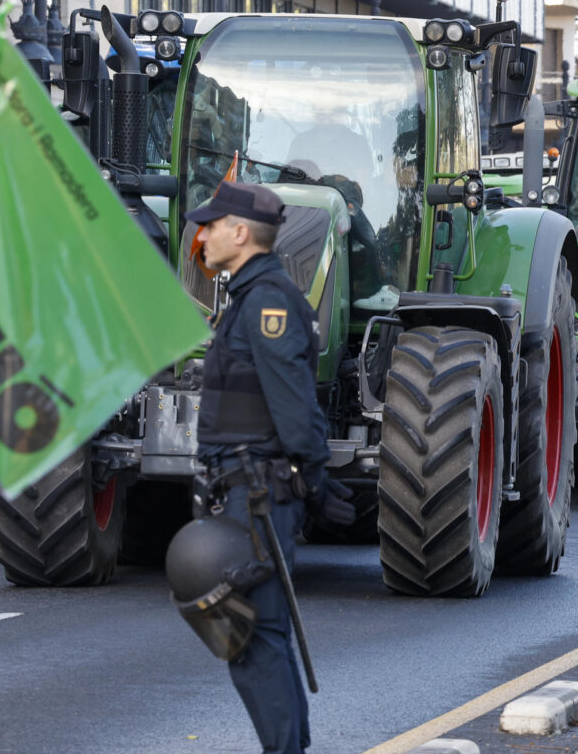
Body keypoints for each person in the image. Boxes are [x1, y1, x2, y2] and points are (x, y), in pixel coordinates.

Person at [186, 180, 354, 754]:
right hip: (247, 487)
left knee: (253, 638)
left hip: (258, 491)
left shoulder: (267, 302)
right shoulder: (249, 296)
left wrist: (315, 482)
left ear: (240, 233)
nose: (202, 236)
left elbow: (294, 404)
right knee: (262, 635)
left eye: (211, 226)